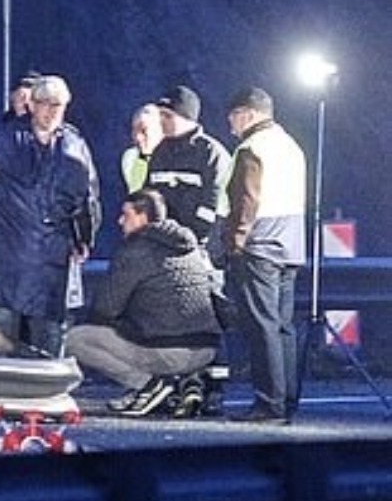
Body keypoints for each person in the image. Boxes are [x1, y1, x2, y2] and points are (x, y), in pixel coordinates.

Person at [0, 74, 100, 356]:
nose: (52, 111)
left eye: (58, 105)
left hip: (53, 255)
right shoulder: (7, 139)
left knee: (50, 329)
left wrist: (84, 239)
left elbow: (86, 198)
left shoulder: (74, 144)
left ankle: (45, 387)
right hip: (12, 252)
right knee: (5, 325)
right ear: (33, 105)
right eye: (46, 104)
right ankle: (0, 389)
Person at [67, 189, 224, 418]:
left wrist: (121, 322)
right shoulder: (192, 247)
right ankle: (166, 390)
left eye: (126, 215)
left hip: (170, 353)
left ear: (143, 217)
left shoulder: (136, 250)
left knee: (75, 339)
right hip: (207, 351)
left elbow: (105, 308)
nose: (120, 221)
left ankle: (148, 385)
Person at [220, 86, 307, 424]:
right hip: (291, 241)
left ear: (248, 113)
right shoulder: (291, 145)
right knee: (283, 325)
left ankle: (268, 403)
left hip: (260, 242)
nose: (231, 126)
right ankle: (286, 399)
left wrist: (235, 242)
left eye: (233, 117)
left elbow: (247, 200)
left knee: (262, 325)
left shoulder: (252, 147)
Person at [145, 85, 232, 247]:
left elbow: (213, 201)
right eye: (160, 115)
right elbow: (149, 195)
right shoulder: (159, 152)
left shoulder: (211, 153)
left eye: (168, 116)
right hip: (162, 243)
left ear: (187, 118)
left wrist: (194, 237)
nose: (161, 121)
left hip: (200, 246)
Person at [119, 104, 162, 195]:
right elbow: (136, 190)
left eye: (143, 130)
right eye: (134, 130)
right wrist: (144, 155)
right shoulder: (130, 156)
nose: (137, 137)